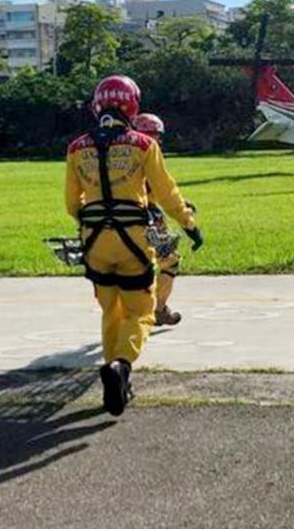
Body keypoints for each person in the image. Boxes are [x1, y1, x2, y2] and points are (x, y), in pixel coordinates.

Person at [65, 75, 203, 416]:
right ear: (133, 105)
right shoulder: (143, 144)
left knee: (111, 311)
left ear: (98, 104)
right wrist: (190, 224)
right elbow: (167, 194)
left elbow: (72, 203)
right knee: (141, 312)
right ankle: (121, 367)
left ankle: (115, 379)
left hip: (95, 242)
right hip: (134, 242)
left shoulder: (76, 147)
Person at [131, 112, 190, 326]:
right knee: (169, 260)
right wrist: (183, 211)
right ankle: (159, 308)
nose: (155, 139)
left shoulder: (121, 155)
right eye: (153, 134)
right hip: (149, 217)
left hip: (122, 215)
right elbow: (162, 189)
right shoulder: (147, 153)